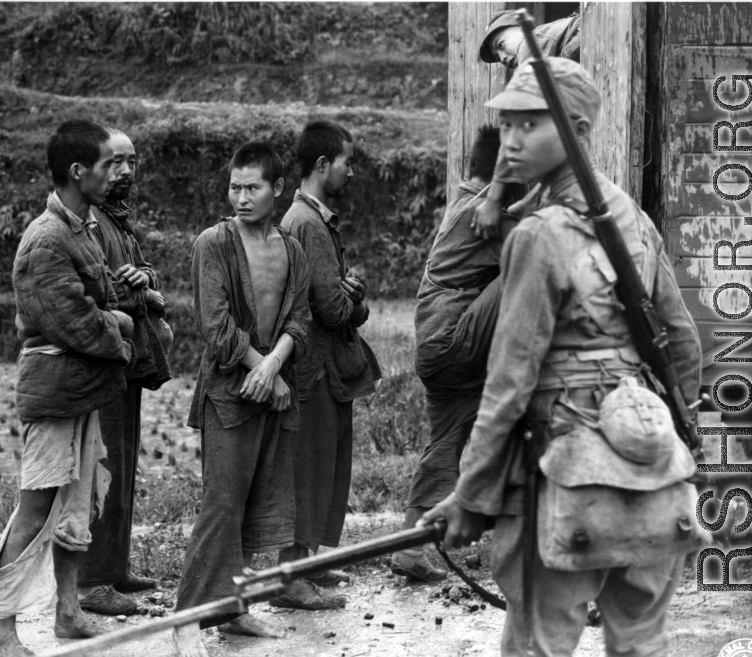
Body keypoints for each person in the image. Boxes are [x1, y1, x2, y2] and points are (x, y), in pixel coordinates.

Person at [422, 58, 703, 656]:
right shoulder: (635, 219)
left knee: (537, 648)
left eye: (530, 124)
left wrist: (472, 496)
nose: (511, 141)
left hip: (559, 477)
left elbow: (508, 385)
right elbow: (682, 345)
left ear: (575, 128)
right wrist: (668, 435)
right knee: (643, 647)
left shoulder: (538, 234)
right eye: (508, 125)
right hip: (655, 474)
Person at [0, 119, 135, 657]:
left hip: (82, 389)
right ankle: (3, 633)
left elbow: (95, 296)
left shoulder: (84, 228)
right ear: (79, 172)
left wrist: (122, 304)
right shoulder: (46, 238)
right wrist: (122, 328)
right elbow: (73, 320)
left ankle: (68, 613)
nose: (115, 173)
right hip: (54, 391)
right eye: (106, 165)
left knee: (77, 504)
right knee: (34, 509)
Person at [172, 142, 310, 657]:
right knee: (222, 505)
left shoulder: (291, 249)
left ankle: (235, 610)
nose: (242, 197)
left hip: (270, 392)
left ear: (277, 189)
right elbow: (215, 325)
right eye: (235, 186)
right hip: (230, 395)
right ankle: (186, 619)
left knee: (257, 502)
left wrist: (274, 368)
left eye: (253, 187)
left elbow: (300, 319)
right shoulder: (214, 243)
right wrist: (261, 369)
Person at [390, 125, 524, 581]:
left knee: (444, 444)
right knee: (535, 257)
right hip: (450, 341)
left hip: (439, 351)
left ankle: (409, 548)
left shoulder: (464, 201)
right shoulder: (480, 212)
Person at [276, 120, 381, 609]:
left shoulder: (311, 219)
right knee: (310, 468)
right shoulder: (308, 224)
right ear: (322, 166)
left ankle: (309, 565)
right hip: (313, 368)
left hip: (323, 367)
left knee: (325, 464)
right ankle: (291, 577)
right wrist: (356, 301)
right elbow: (334, 309)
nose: (352, 172)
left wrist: (346, 294)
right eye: (346, 162)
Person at [77, 128, 173, 615]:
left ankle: (114, 568)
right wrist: (146, 293)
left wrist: (147, 280)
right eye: (115, 163)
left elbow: (143, 271)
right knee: (105, 469)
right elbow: (101, 288)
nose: (125, 172)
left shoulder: (118, 221)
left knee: (125, 464)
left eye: (131, 162)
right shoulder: (88, 221)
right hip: (105, 357)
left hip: (128, 359)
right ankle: (92, 580)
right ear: (95, 168)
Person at [472, 9, 581, 240]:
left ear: (522, 28)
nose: (501, 56)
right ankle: (538, 196)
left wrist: (493, 201)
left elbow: (519, 124)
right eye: (497, 55)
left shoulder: (533, 43)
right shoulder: (549, 50)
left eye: (500, 44)